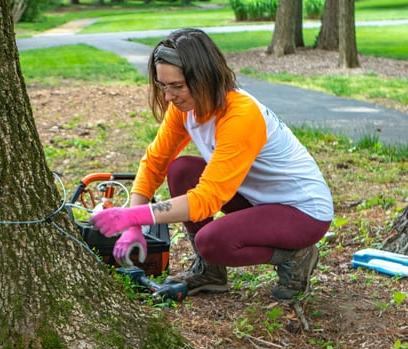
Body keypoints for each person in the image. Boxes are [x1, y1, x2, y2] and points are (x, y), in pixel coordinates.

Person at [90, 28, 333, 301]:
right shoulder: (185, 108)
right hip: (257, 200)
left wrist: (136, 216)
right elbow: (155, 162)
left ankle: (296, 256)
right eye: (163, 86)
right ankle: (210, 274)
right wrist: (134, 223)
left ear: (205, 79)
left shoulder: (241, 115)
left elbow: (208, 199)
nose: (169, 96)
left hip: (302, 212)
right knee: (181, 170)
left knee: (212, 242)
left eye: (178, 86)